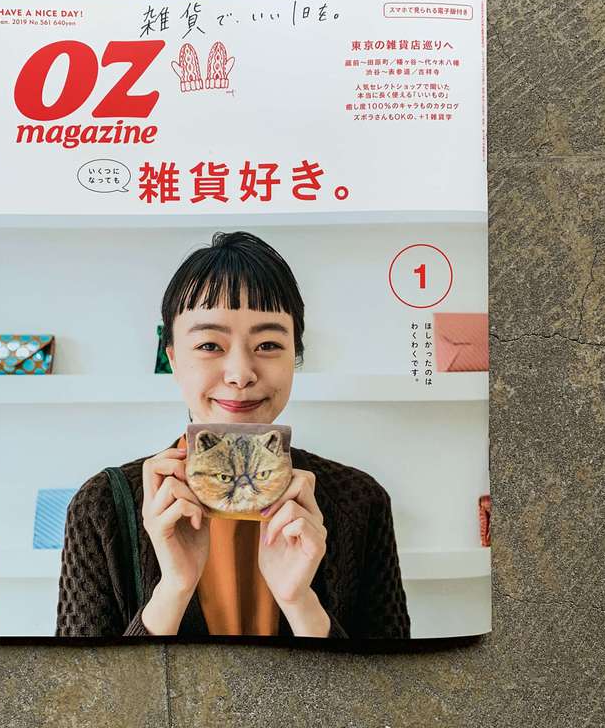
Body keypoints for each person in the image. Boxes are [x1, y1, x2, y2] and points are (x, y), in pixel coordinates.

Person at [56, 231, 410, 639]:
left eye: (269, 344)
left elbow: (394, 679)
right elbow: (80, 680)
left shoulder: (360, 501)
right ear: (173, 360)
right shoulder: (101, 506)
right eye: (209, 345)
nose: (241, 374)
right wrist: (172, 590)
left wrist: (301, 604)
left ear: (295, 357)